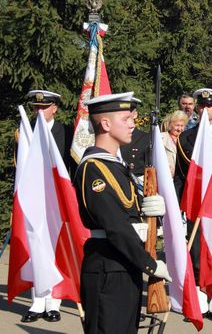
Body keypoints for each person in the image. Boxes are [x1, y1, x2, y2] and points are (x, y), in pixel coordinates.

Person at [73, 92, 171, 334]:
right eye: (126, 118)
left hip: (124, 265)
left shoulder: (116, 167)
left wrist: (154, 212)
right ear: (105, 124)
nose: (132, 124)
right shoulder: (94, 169)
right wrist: (149, 264)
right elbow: (115, 226)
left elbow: (129, 214)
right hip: (108, 267)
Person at [20, 90, 73, 323]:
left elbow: (71, 165)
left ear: (55, 108)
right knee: (36, 248)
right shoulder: (25, 130)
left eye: (44, 107)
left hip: (57, 199)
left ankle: (54, 303)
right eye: (35, 108)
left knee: (56, 248)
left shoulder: (67, 132)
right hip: (34, 197)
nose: (38, 111)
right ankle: (38, 301)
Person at [174, 88, 212, 322]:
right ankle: (199, 302)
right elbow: (180, 175)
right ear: (197, 108)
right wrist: (179, 207)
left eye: (210, 106)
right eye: (201, 106)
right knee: (195, 253)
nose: (205, 110)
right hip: (195, 203)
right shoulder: (187, 137)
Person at [161, 111, 188, 177]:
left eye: (182, 126)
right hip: (165, 177)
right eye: (177, 125)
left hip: (181, 177)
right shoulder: (161, 138)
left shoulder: (186, 139)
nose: (179, 129)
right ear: (170, 125)